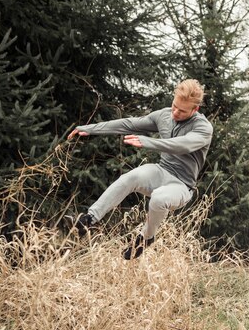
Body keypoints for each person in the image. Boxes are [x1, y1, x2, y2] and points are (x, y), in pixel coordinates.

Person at [66, 79, 212, 260]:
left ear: (194, 110)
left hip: (181, 186)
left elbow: (181, 146)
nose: (175, 113)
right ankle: (88, 219)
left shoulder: (203, 128)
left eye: (182, 111)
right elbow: (129, 123)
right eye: (174, 106)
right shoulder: (164, 116)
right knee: (131, 177)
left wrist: (149, 142)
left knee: (159, 198)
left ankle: (146, 238)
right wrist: (91, 129)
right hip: (160, 171)